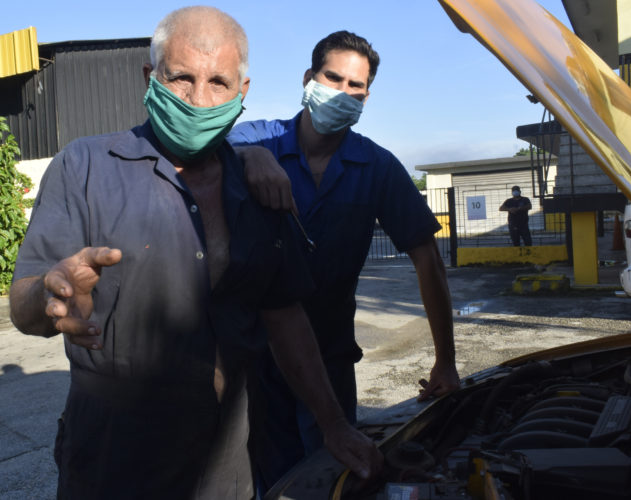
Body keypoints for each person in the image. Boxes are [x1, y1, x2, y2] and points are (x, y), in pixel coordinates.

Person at [9, 8, 381, 500]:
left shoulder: (260, 189)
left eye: (219, 82)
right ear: (151, 77)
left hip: (225, 472)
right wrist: (48, 296)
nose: (198, 100)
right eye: (181, 77)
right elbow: (23, 304)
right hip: (109, 466)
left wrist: (333, 424)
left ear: (242, 91)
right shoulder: (83, 166)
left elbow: (286, 318)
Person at [229, 30, 460, 490]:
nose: (342, 92)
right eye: (332, 77)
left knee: (336, 475)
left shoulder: (378, 167)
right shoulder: (258, 140)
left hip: (330, 354)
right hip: (256, 355)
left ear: (367, 96)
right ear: (308, 78)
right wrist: (249, 158)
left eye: (355, 86)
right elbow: (202, 155)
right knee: (269, 478)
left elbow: (427, 260)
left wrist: (446, 361)